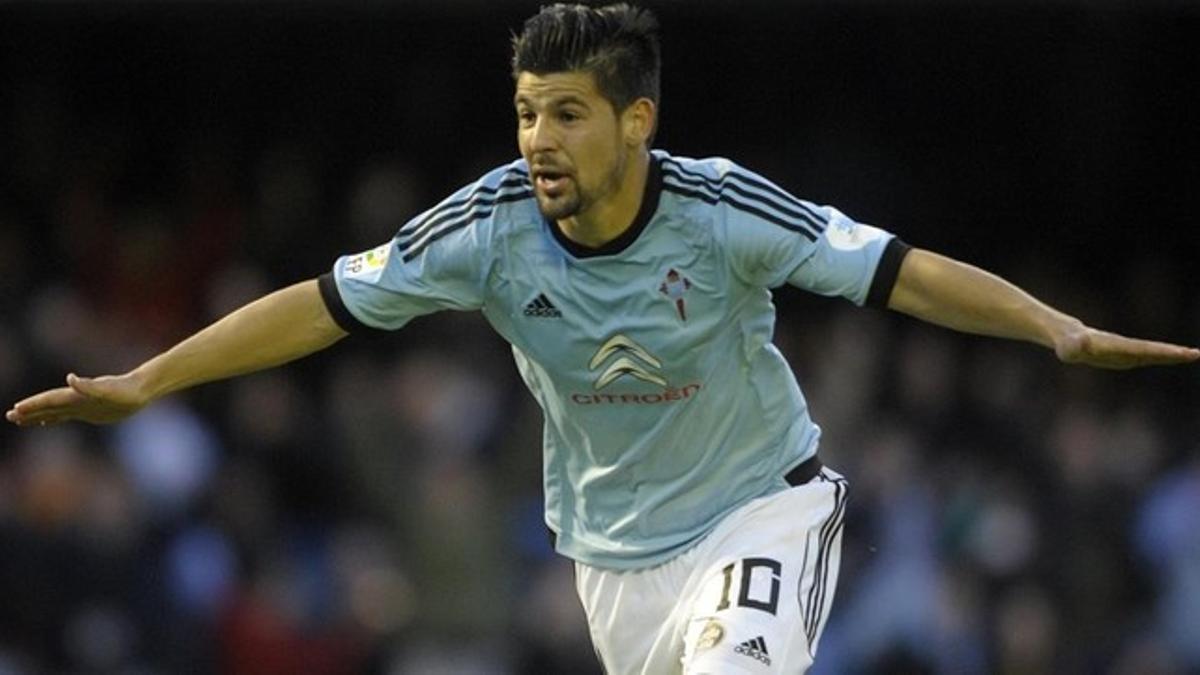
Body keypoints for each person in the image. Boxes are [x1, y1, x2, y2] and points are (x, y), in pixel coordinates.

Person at [7, 4, 1198, 673]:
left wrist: (1054, 328)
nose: (537, 138)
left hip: (758, 509)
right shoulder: (483, 228)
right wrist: (146, 382)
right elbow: (316, 304)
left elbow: (899, 273)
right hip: (611, 563)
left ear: (637, 121)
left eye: (567, 114)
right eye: (526, 111)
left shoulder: (725, 209)